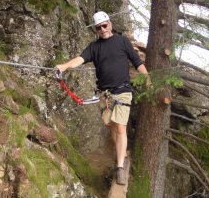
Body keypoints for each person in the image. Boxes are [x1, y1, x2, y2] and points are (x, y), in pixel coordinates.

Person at [56, 11, 149, 185]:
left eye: (104, 25)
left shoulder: (122, 41)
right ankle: (122, 150)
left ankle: (120, 167)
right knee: (112, 126)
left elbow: (137, 62)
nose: (103, 29)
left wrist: (148, 77)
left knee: (120, 128)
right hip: (105, 95)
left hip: (122, 92)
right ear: (96, 30)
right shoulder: (94, 47)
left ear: (110, 23)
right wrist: (64, 66)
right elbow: (79, 59)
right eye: (99, 27)